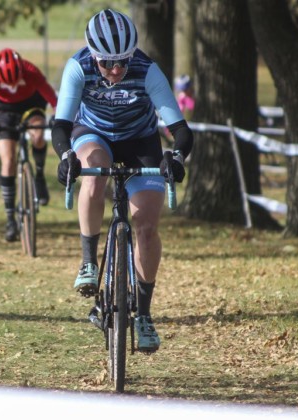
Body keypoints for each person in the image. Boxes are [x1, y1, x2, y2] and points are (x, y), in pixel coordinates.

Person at [51, 9, 194, 353]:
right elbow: (60, 125)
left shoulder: (147, 71)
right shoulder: (78, 67)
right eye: (107, 64)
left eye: (122, 63)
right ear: (94, 56)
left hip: (139, 140)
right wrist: (65, 156)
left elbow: (180, 130)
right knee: (95, 171)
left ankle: (143, 314)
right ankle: (88, 260)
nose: (116, 71)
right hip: (92, 133)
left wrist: (175, 157)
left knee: (145, 224)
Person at [0, 48, 57, 242]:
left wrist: (55, 117)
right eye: (6, 82)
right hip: (3, 110)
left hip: (31, 105)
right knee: (8, 160)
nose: (11, 85)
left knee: (38, 135)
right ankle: (10, 218)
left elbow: (54, 101)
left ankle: (39, 175)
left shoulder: (31, 72)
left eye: (15, 79)